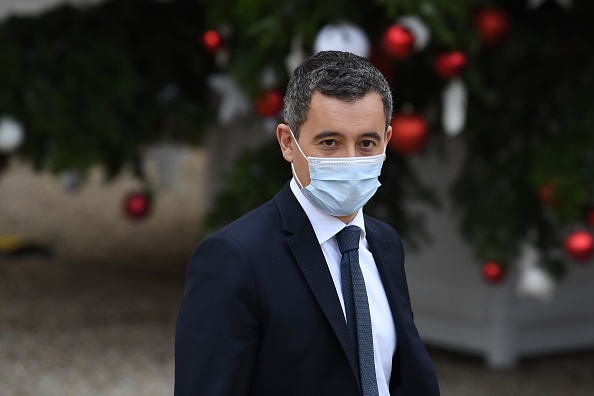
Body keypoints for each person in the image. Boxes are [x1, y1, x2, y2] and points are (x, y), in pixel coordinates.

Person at [175, 50, 440, 396]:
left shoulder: (384, 243)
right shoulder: (236, 259)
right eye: (329, 142)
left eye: (366, 143)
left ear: (387, 141)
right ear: (288, 142)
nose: (350, 160)